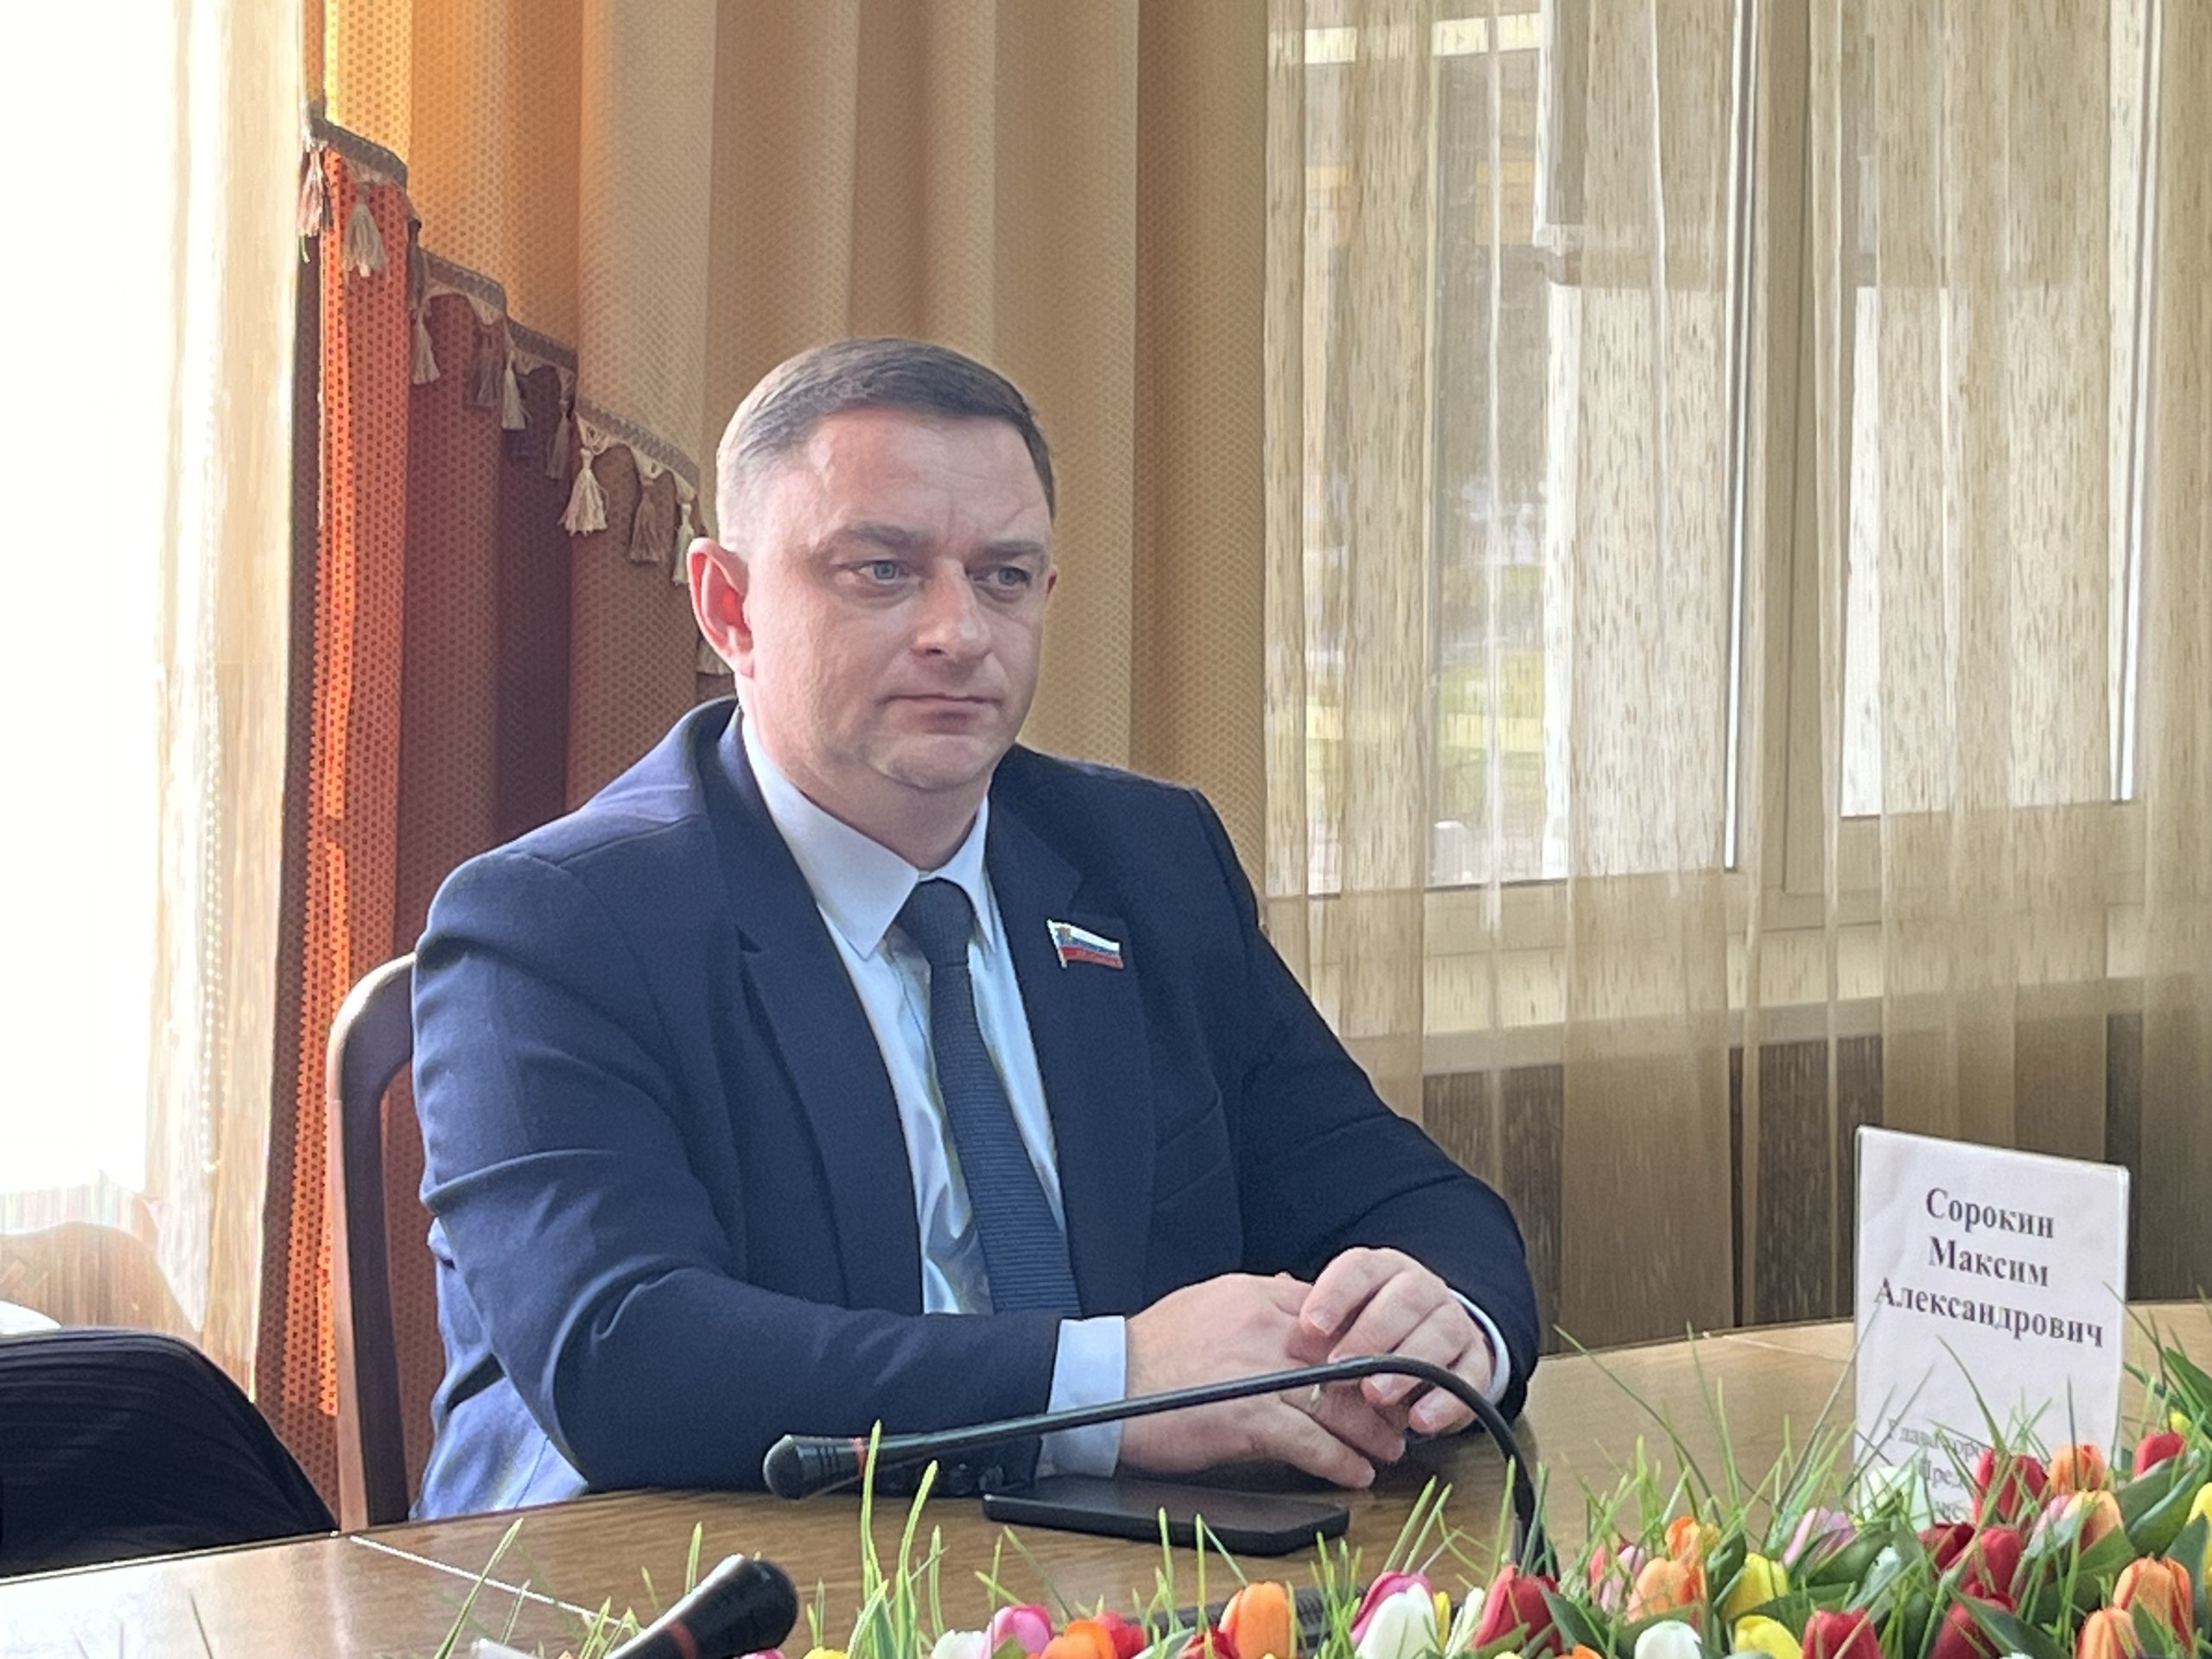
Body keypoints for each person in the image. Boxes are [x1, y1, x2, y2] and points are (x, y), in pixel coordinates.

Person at [410, 338, 1539, 1518]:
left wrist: (1437, 1323)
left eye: (1003, 576)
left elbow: (1418, 1202)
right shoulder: (553, 927)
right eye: (882, 571)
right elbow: (625, 1357)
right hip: (685, 1577)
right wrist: (1114, 1385)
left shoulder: (1150, 863)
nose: (959, 631)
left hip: (1117, 1573)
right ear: (728, 607)